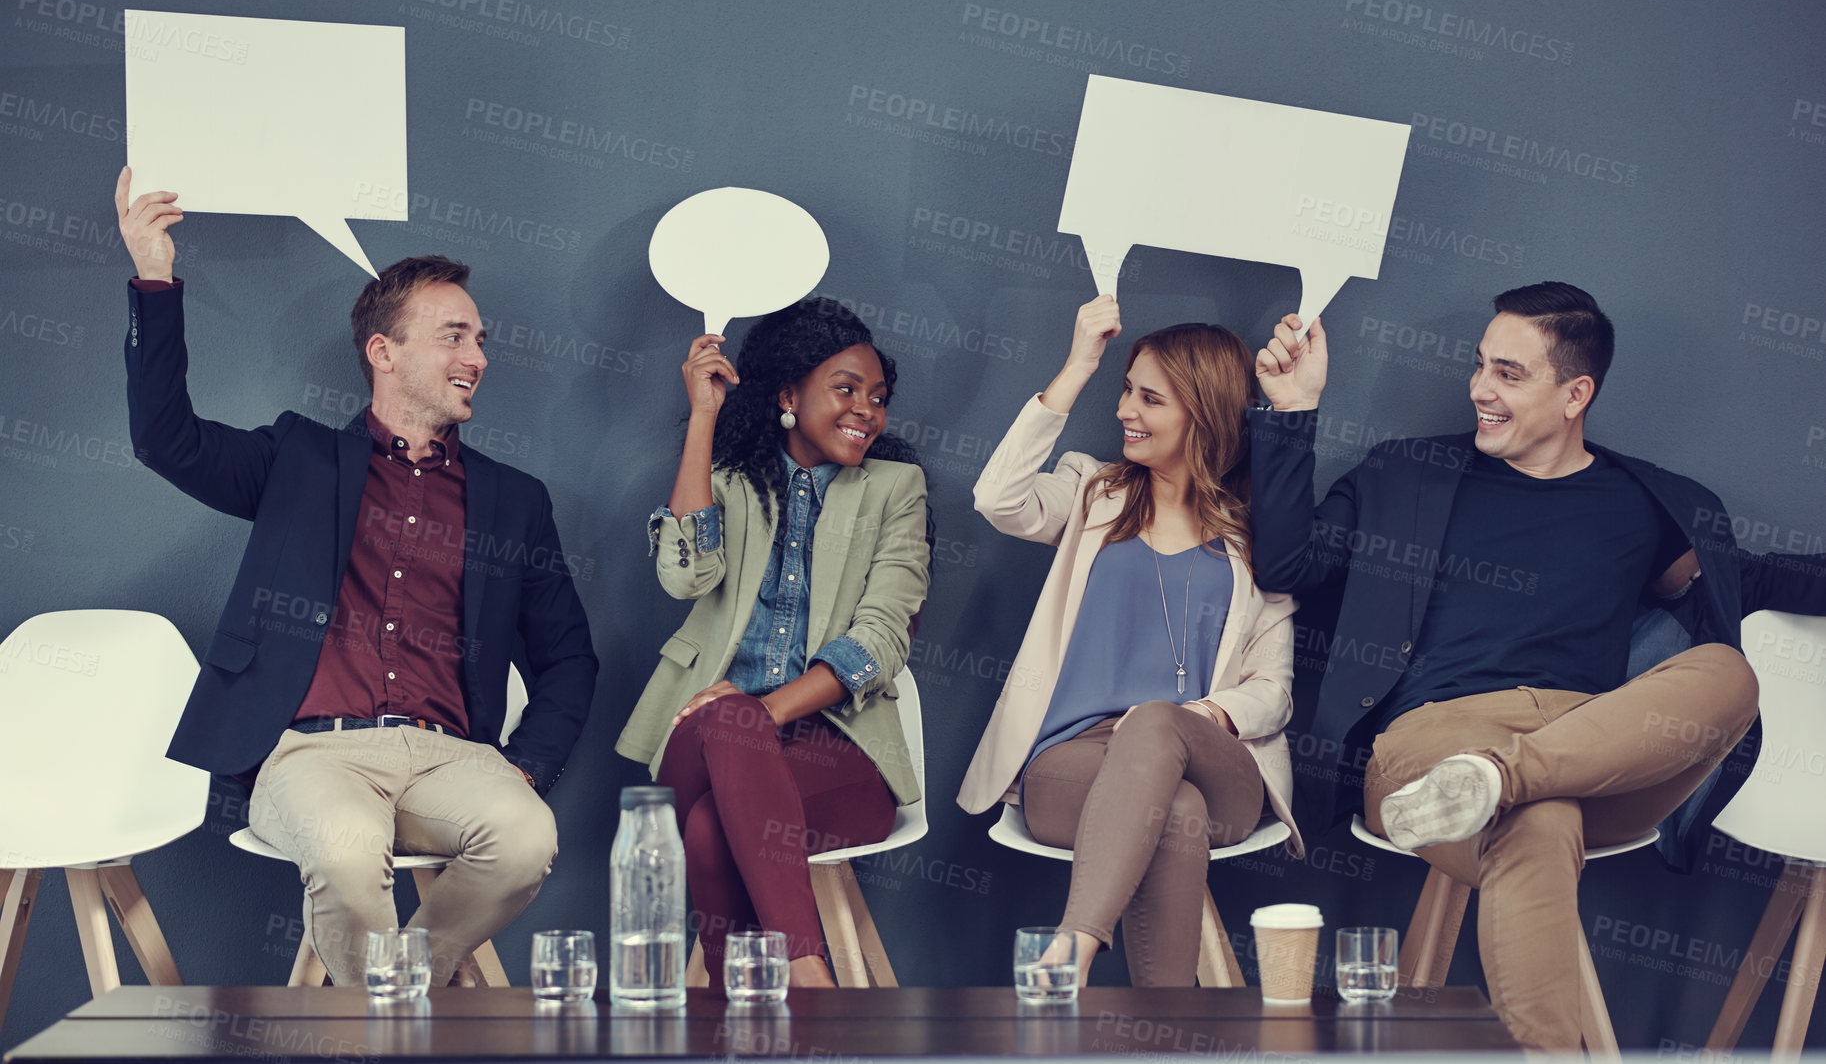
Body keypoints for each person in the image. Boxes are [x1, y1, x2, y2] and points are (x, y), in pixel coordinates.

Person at [1250, 281, 1826, 1048]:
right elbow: (1287, 562)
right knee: (1540, 817)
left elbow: (1750, 579)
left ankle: (1500, 778)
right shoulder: (1407, 474)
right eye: (1481, 366)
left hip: (1589, 750)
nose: (1480, 389)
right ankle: (1499, 783)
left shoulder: (1641, 505)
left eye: (1510, 374)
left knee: (1729, 673)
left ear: (1575, 393)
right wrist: (1292, 411)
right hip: (1431, 743)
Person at [114, 167, 598, 988]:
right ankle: (402, 1028)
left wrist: (526, 766)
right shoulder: (296, 459)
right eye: (454, 335)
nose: (477, 357)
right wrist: (153, 274)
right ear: (384, 351)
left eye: (480, 339)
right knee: (344, 852)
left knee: (524, 837)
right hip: (312, 755)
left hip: (453, 759)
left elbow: (568, 658)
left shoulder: (515, 502)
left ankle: (390, 1008)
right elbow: (166, 439)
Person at [958, 295, 1302, 987]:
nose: (1125, 410)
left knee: (1160, 736)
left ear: (1201, 414)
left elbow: (1274, 690)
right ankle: (1162, 1024)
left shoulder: (1256, 539)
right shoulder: (1092, 493)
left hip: (1214, 757)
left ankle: (1072, 950)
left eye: (1149, 398)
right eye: (1125, 390)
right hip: (1075, 764)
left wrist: (1200, 718)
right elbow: (998, 498)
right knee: (1175, 810)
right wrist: (1080, 362)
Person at [615, 299, 930, 989]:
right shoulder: (727, 482)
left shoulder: (895, 489)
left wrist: (761, 711)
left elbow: (880, 638)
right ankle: (808, 980)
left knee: (706, 826)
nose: (867, 411)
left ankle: (746, 1014)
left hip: (838, 751)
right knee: (724, 724)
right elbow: (683, 573)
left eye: (878, 398)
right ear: (789, 394)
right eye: (846, 390)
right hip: (702, 744)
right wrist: (703, 417)